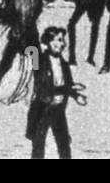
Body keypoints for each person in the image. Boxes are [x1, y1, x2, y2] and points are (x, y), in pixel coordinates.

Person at [26, 26, 85, 159]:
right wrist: (70, 89)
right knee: (38, 145)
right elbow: (44, 88)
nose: (63, 44)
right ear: (50, 42)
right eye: (59, 40)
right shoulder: (40, 61)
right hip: (43, 109)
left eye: (63, 40)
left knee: (64, 144)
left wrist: (76, 96)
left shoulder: (63, 64)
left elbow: (68, 84)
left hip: (58, 108)